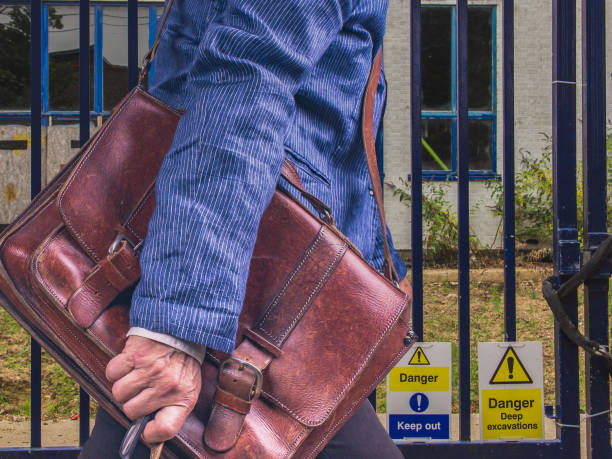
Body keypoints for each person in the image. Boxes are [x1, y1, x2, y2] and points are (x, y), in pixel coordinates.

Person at [80, 0, 409, 457]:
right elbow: (244, 90)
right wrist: (176, 326)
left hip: (240, 273)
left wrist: (377, 261)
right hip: (248, 282)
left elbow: (323, 130)